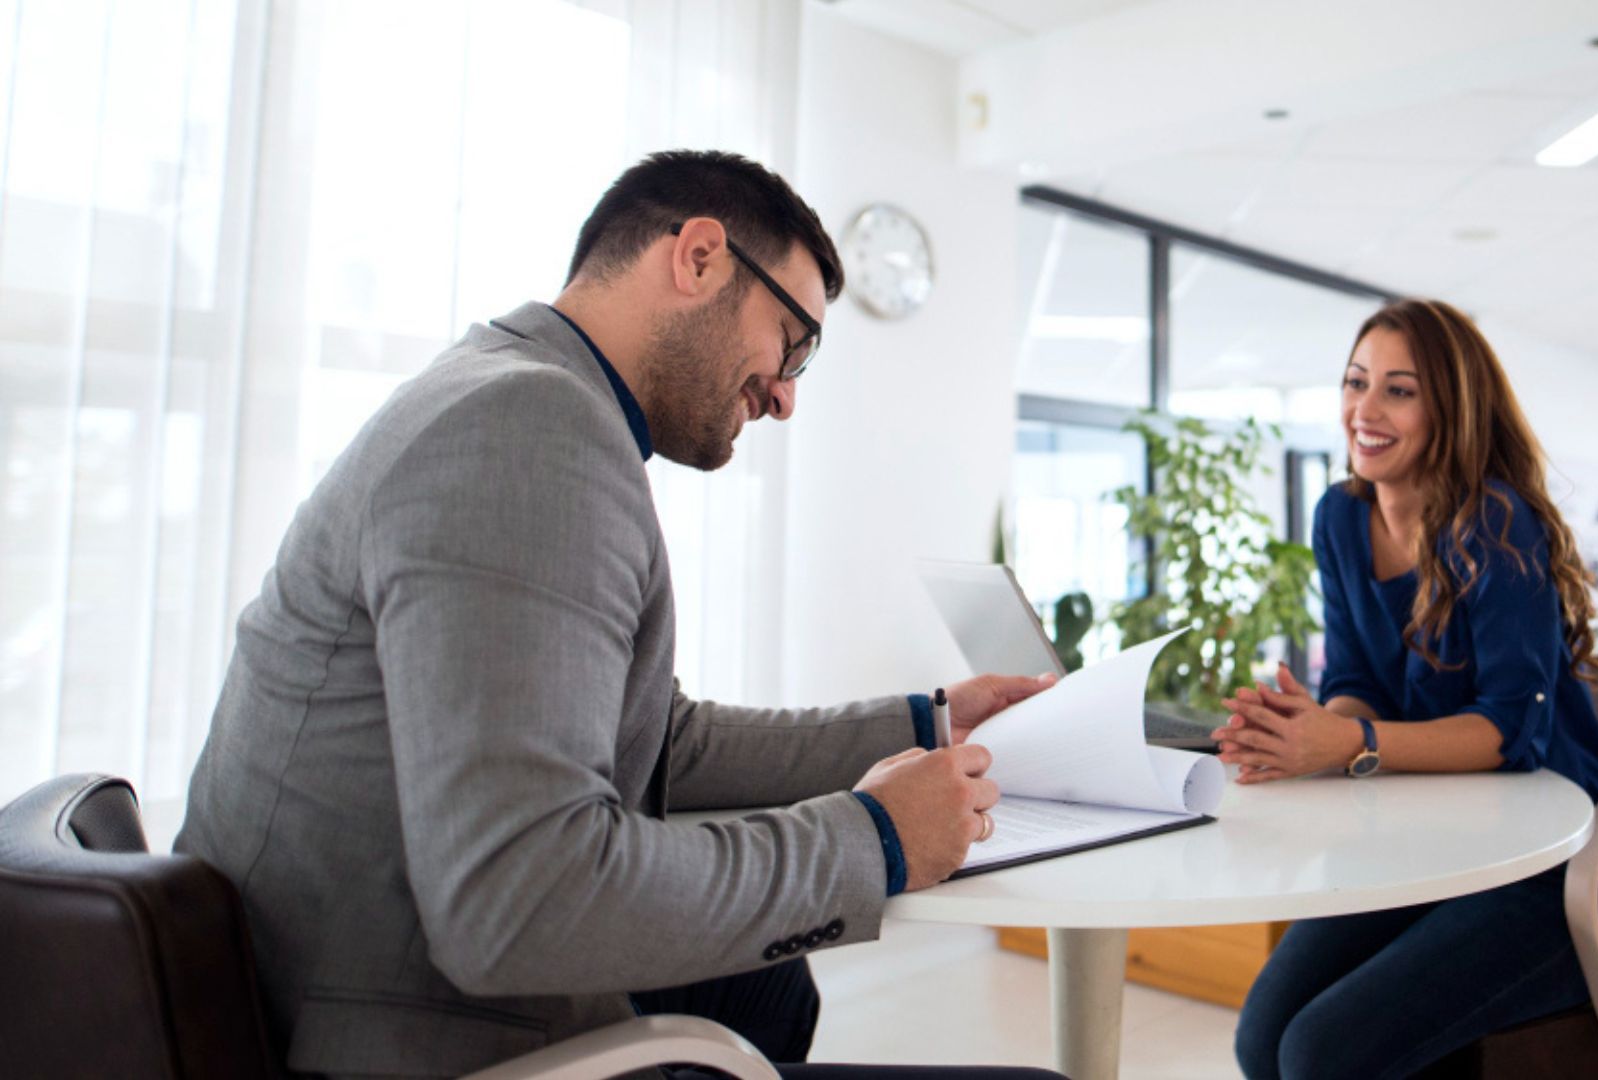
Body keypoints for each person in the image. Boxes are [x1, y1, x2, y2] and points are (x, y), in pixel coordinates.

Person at [174, 150, 1061, 1080]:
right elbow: (518, 899)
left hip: (336, 970)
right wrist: (874, 839)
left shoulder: (508, 389)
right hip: (390, 1032)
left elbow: (660, 739)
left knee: (769, 990)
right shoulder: (525, 428)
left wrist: (928, 724)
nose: (786, 396)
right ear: (700, 258)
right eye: (792, 342)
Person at [1212, 299, 1598, 1080]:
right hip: (1430, 847)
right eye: (1356, 382)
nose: (1365, 410)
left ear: (1450, 409)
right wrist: (1310, 732)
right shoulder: (1340, 517)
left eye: (1398, 391)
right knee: (1261, 1036)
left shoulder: (1496, 524)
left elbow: (1512, 732)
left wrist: (1349, 742)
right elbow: (1355, 681)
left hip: (1555, 870)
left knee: (1320, 1054)